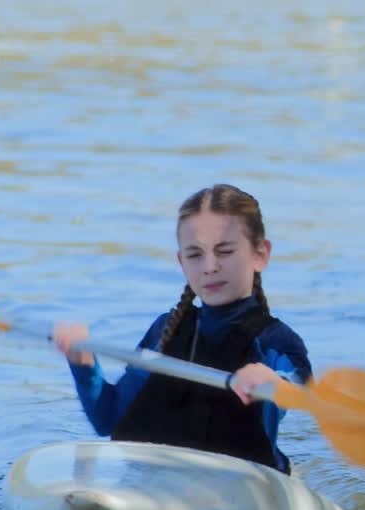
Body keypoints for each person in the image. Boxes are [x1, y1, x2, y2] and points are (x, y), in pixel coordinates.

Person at [51, 184, 311, 474]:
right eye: (195, 255)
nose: (209, 267)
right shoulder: (164, 331)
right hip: (156, 485)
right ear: (181, 262)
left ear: (260, 254)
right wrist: (82, 362)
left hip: (241, 491)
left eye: (224, 251)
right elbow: (107, 418)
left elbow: (302, 391)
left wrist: (274, 382)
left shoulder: (276, 341)